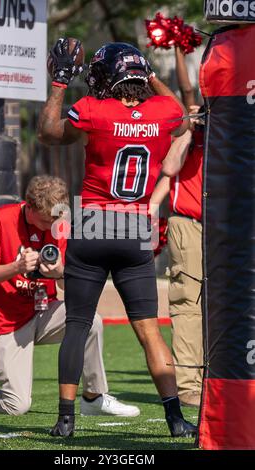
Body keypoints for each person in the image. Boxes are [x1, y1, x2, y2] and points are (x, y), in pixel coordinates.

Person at [38, 38, 197, 438]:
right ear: (141, 76)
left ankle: (65, 419)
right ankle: (175, 419)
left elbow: (49, 133)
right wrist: (150, 73)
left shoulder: (94, 109)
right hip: (134, 228)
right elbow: (179, 114)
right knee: (148, 330)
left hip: (94, 222)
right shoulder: (164, 112)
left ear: (107, 78)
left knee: (76, 324)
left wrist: (59, 82)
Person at [0, 175, 139, 418]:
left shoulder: (58, 225)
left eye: (55, 218)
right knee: (17, 405)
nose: (50, 225)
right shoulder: (0, 218)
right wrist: (17, 267)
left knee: (90, 321)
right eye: (45, 220)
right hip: (7, 323)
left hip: (44, 311)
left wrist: (60, 272)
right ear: (28, 207)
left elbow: (65, 285)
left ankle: (93, 398)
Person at [150, 46, 204, 407]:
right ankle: (189, 385)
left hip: (232, 226)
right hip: (189, 222)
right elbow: (169, 169)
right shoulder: (191, 129)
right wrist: (188, 131)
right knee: (188, 302)